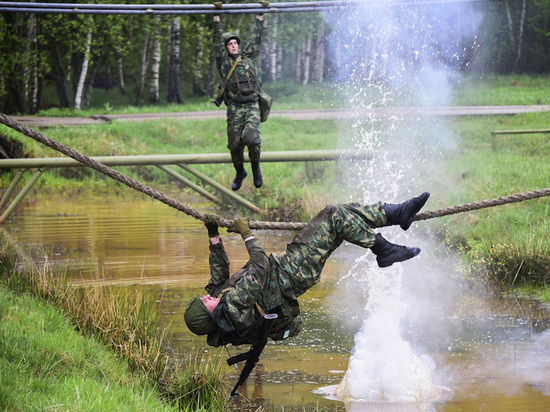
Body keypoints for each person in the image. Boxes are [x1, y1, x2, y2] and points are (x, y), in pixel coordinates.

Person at [184, 192, 430, 347]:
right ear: (210, 315)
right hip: (294, 271)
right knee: (334, 215)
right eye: (204, 302)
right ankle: (385, 249)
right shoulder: (234, 306)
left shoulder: (223, 307)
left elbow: (218, 276)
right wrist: (246, 233)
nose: (207, 297)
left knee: (339, 214)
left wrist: (213, 233)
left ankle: (398, 213)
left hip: (291, 269)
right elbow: (259, 266)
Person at [213, 12, 265, 191]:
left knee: (251, 139)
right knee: (234, 145)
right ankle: (240, 171)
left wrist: (259, 17)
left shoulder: (248, 56)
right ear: (226, 48)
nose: (233, 46)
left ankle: (256, 168)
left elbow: (256, 38)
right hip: (235, 107)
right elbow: (216, 43)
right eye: (230, 44)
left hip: (251, 104)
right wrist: (216, 19)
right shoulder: (225, 62)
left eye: (235, 43)